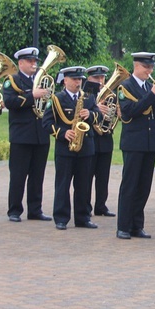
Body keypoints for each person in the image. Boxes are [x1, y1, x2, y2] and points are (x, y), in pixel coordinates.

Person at [116, 52, 155, 240]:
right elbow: (129, 112)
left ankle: (137, 225)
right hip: (134, 142)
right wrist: (152, 94)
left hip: (150, 143)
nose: (150, 71)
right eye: (147, 67)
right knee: (130, 185)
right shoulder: (125, 86)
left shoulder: (148, 86)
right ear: (136, 65)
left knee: (144, 186)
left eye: (152, 67)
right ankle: (123, 226)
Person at [42, 66, 99, 230]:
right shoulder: (57, 99)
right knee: (63, 184)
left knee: (84, 184)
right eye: (74, 79)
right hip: (65, 148)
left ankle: (83, 217)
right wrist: (62, 133)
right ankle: (61, 217)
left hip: (86, 147)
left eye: (80, 79)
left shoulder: (88, 97)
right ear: (65, 80)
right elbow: (46, 123)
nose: (78, 82)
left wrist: (91, 115)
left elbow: (98, 115)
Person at [2, 47, 52, 222]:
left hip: (41, 135)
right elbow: (9, 102)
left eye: (35, 61)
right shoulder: (12, 80)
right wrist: (33, 95)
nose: (34, 64)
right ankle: (14, 210)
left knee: (38, 175)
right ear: (21, 63)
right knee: (18, 175)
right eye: (30, 61)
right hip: (22, 135)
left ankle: (35, 210)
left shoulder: (42, 81)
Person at [85, 65, 116, 217]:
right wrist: (96, 108)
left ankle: (101, 205)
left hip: (105, 139)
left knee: (103, 177)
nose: (100, 81)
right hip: (90, 138)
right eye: (96, 78)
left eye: (102, 78)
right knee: (87, 176)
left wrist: (113, 112)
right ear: (89, 78)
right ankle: (85, 206)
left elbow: (116, 115)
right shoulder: (85, 94)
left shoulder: (110, 95)